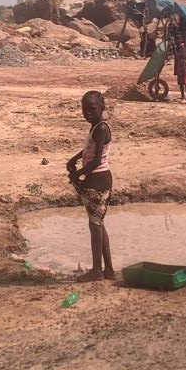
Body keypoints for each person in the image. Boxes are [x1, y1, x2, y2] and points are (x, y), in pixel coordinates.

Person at [66, 91, 115, 282]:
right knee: (98, 224)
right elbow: (90, 149)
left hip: (98, 180)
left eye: (92, 109)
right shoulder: (96, 127)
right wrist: (75, 158)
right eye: (84, 109)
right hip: (97, 179)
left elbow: (96, 161)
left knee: (95, 226)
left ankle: (97, 270)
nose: (87, 113)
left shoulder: (102, 128)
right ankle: (108, 270)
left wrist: (78, 174)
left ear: (101, 108)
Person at [174, 34, 186, 102]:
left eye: (178, 40)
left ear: (181, 40)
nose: (177, 41)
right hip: (179, 67)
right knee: (180, 83)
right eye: (176, 40)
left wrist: (176, 53)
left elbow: (182, 56)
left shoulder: (182, 47)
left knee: (185, 82)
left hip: (182, 67)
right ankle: (182, 96)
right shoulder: (178, 47)